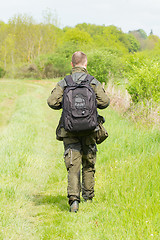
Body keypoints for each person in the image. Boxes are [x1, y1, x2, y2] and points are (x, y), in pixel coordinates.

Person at [47, 51, 110, 212]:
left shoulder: (65, 82)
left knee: (73, 164)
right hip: (90, 129)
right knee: (88, 162)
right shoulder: (92, 82)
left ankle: (74, 201)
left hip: (70, 130)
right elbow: (105, 103)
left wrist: (67, 106)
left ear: (72, 64)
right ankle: (88, 197)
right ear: (86, 64)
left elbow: (52, 102)